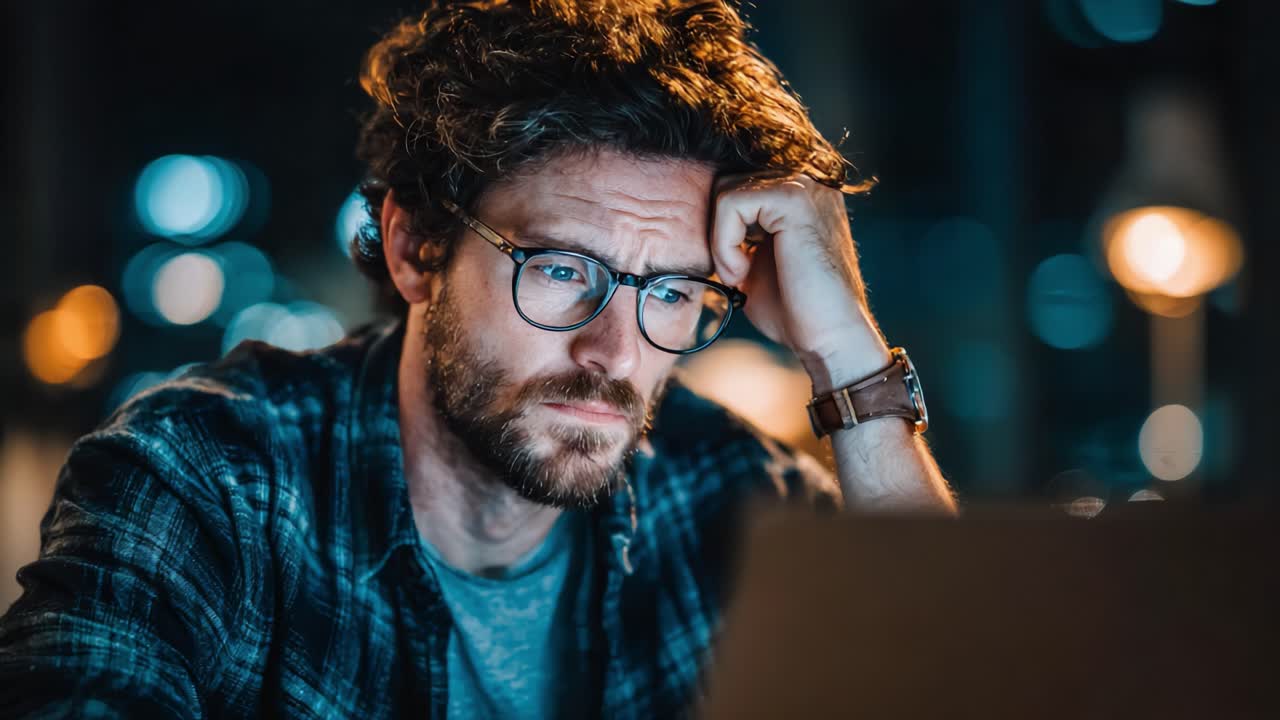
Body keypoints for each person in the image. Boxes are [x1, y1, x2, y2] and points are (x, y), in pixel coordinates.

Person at [0, 1, 955, 717]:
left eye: (670, 291)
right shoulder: (208, 480)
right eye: (562, 269)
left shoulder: (725, 492)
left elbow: (960, 675)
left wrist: (846, 353)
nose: (614, 351)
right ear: (417, 249)